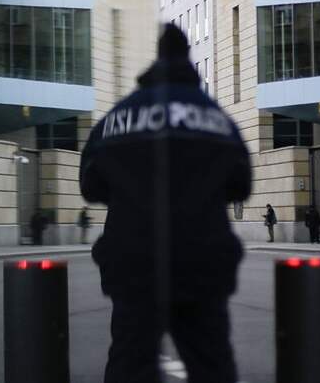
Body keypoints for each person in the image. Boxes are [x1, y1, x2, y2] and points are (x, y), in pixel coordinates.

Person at [80, 24, 251, 383]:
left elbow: (91, 186)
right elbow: (241, 185)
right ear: (188, 57)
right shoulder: (214, 118)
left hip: (134, 264)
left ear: (155, 59)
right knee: (212, 366)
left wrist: (129, 190)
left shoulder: (118, 118)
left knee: (129, 364)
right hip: (202, 264)